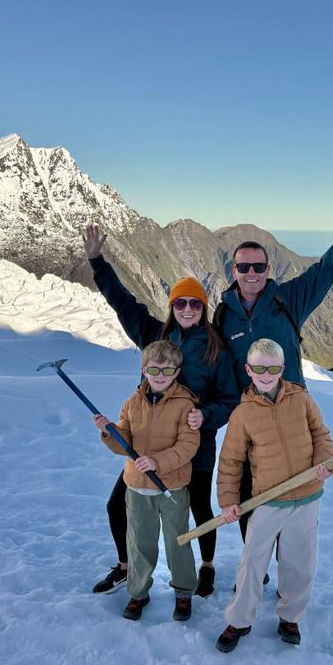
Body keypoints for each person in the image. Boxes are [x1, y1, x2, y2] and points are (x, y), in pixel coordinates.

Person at [212, 185, 333, 544]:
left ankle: (287, 571)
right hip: (250, 419)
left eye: (258, 266)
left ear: (267, 268)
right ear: (233, 269)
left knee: (293, 498)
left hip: (292, 414)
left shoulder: (289, 299)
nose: (251, 273)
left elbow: (329, 267)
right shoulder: (221, 316)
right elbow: (214, 365)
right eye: (244, 267)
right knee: (247, 495)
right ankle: (254, 567)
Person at [84, 226, 239, 599]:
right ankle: (125, 566)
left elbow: (230, 398)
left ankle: (205, 566)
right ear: (172, 306)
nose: (188, 309)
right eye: (181, 303)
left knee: (200, 507)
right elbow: (123, 302)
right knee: (116, 505)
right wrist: (96, 261)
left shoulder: (215, 350)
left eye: (195, 304)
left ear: (203, 309)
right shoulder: (154, 334)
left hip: (193, 447)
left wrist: (208, 417)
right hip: (146, 447)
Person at [213, 338, 333, 652]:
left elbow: (321, 434)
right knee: (252, 561)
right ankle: (239, 620)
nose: (265, 374)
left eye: (272, 368)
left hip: (307, 496)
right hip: (268, 499)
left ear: (282, 369)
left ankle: (290, 616)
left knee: (299, 561)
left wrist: (325, 460)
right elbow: (230, 461)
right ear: (248, 370)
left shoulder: (301, 399)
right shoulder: (243, 414)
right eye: (258, 368)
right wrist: (228, 502)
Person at [93, 340, 200, 622]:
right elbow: (124, 443)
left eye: (167, 370)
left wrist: (157, 462)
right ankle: (138, 593)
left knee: (178, 541)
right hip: (137, 487)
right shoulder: (132, 403)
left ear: (177, 372)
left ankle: (183, 593)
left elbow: (188, 446)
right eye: (154, 369)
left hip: (173, 488)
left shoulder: (185, 404)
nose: (160, 375)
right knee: (140, 543)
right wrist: (110, 433)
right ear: (144, 370)